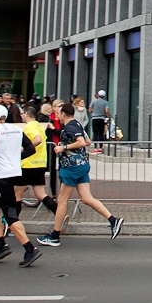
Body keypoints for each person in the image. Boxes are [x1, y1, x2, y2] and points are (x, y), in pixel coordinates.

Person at [36, 102, 124, 246]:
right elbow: (88, 141)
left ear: (63, 114)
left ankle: (55, 235)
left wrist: (63, 147)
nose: (57, 114)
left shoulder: (69, 127)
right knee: (86, 198)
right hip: (82, 165)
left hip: (72, 166)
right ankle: (113, 220)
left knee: (62, 200)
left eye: (59, 112)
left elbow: (82, 142)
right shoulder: (77, 124)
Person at [0, 105, 43, 267]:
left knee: (10, 215)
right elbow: (31, 149)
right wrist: (14, 158)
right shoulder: (16, 129)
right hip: (13, 174)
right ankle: (1, 244)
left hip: (1, 177)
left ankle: (29, 248)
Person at [12, 106, 59, 219]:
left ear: (27, 114)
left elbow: (37, 139)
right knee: (41, 194)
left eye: (23, 114)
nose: (22, 116)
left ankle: (12, 224)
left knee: (16, 194)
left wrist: (26, 149)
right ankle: (60, 215)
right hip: (40, 163)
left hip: (29, 164)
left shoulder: (30, 126)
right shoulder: (38, 125)